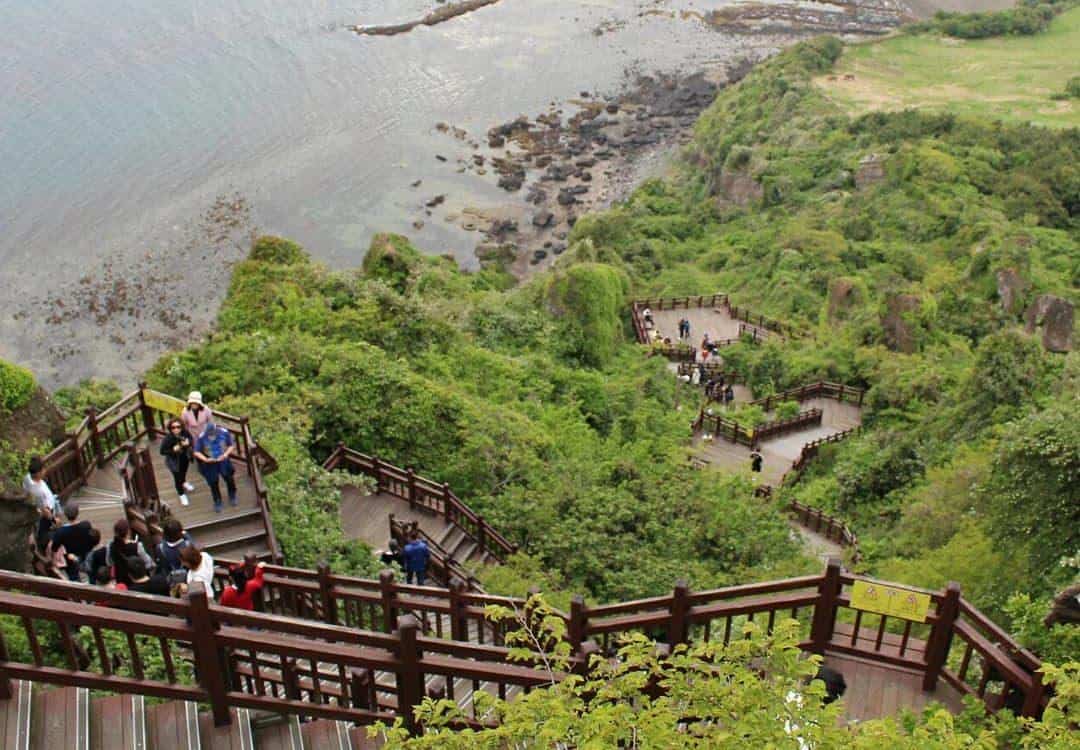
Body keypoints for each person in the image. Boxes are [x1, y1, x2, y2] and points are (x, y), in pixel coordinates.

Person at [193, 418, 237, 512]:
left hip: (223, 460)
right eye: (209, 434)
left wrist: (225, 455)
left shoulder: (224, 432)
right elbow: (196, 452)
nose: (211, 436)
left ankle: (232, 494)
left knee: (228, 478)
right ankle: (217, 500)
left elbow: (231, 445)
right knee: (213, 482)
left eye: (213, 433)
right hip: (211, 462)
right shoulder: (202, 437)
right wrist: (206, 459)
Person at [49, 502, 96, 581]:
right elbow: (92, 537)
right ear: (77, 512)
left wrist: (53, 560)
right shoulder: (86, 525)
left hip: (71, 557)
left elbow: (54, 548)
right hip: (86, 553)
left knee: (73, 576)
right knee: (91, 571)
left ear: (65, 514)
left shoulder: (61, 532)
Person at [23, 456, 61, 548]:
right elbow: (45, 511)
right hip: (46, 511)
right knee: (46, 528)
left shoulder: (27, 478)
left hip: (38, 508)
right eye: (43, 469)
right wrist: (54, 519)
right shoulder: (40, 491)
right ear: (38, 473)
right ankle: (45, 543)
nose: (45, 471)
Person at [107, 518, 155, 586]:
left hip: (121, 580)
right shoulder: (137, 546)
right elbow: (148, 563)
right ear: (128, 531)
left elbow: (109, 562)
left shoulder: (111, 545)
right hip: (138, 580)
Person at [160, 418, 195, 506]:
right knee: (177, 477)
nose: (176, 429)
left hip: (185, 457)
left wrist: (188, 443)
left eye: (178, 427)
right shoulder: (168, 439)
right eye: (173, 427)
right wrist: (173, 450)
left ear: (181, 427)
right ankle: (181, 494)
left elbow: (191, 439)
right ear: (170, 428)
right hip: (174, 461)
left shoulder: (185, 433)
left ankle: (184, 482)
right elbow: (162, 451)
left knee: (183, 472)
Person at [157, 518, 195, 586]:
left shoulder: (160, 548)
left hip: (173, 577)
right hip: (189, 575)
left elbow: (164, 566)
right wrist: (185, 534)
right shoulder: (188, 545)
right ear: (180, 533)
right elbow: (194, 545)